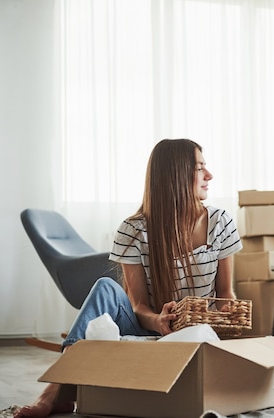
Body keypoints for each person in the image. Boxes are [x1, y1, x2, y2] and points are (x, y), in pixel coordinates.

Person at [14, 138, 243, 417]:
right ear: (175, 175)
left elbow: (225, 295)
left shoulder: (221, 222)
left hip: (197, 331)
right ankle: (54, 390)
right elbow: (138, 307)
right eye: (200, 168)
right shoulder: (133, 230)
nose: (209, 176)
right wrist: (158, 321)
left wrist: (228, 320)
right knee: (105, 287)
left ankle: (61, 391)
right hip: (147, 327)